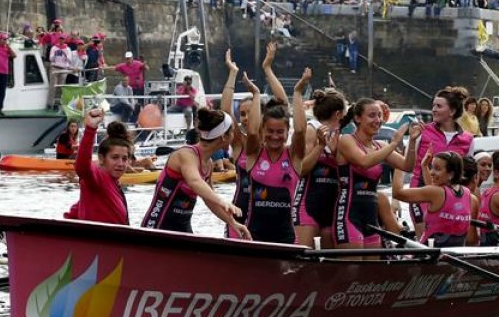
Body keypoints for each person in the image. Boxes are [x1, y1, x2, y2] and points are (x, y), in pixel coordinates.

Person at [141, 108, 250, 239]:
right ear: (224, 136)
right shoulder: (186, 154)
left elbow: (210, 200)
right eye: (232, 131)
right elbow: (194, 181)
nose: (234, 136)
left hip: (183, 230)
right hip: (157, 227)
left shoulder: (208, 164)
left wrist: (232, 223)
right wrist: (222, 201)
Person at [233, 69, 312, 244]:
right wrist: (256, 94)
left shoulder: (294, 156)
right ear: (263, 130)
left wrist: (298, 92)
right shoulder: (255, 153)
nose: (275, 136)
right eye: (270, 131)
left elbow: (300, 130)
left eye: (280, 132)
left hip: (286, 237)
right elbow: (252, 132)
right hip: (254, 235)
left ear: (287, 132)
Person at [334, 99, 419, 250]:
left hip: (371, 216)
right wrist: (394, 144)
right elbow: (364, 161)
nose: (377, 120)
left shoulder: (381, 147)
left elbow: (407, 166)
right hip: (349, 214)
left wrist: (412, 141)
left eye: (379, 116)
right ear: (358, 118)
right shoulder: (347, 140)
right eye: (372, 115)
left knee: (371, 271)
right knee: (353, 270)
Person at [409, 86, 475, 236]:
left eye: (439, 106)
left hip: (450, 198)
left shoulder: (468, 139)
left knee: (445, 241)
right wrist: (412, 142)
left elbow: (466, 175)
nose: (433, 109)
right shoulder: (423, 131)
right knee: (425, 240)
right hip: (421, 193)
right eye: (433, 106)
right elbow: (408, 163)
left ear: (451, 112)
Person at [294, 85, 348, 249]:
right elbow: (301, 169)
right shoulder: (312, 130)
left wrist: (334, 151)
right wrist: (320, 147)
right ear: (338, 114)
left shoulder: (341, 137)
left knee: (330, 265)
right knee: (301, 261)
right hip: (308, 204)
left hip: (332, 207)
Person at [393, 151, 479, 248]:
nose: (431, 172)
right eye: (431, 167)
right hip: (456, 256)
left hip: (429, 255)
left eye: (437, 169)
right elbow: (435, 193)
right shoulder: (469, 195)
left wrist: (399, 166)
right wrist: (424, 166)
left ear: (451, 174)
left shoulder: (437, 193)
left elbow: (397, 193)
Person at [63, 108, 131, 225]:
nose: (120, 163)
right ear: (101, 158)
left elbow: (76, 212)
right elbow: (82, 167)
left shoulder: (110, 184)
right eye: (114, 157)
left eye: (124, 158)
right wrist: (90, 129)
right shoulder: (98, 177)